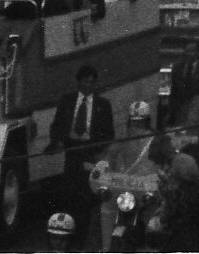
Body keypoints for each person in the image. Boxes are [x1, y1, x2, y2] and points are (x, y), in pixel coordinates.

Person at [50, 65, 114, 246]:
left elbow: (109, 134)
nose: (89, 85)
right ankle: (67, 239)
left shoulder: (103, 105)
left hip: (91, 152)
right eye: (85, 81)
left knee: (87, 197)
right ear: (79, 82)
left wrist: (98, 154)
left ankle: (84, 240)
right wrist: (59, 141)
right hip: (71, 151)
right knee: (69, 195)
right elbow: (56, 126)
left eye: (92, 82)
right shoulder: (67, 101)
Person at [93, 101, 157, 253]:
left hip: (144, 191)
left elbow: (159, 165)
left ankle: (151, 248)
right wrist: (101, 171)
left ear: (147, 122)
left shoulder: (155, 140)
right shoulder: (122, 140)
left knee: (154, 213)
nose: (137, 126)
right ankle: (106, 248)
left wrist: (156, 178)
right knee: (106, 206)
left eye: (140, 122)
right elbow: (108, 159)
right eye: (134, 122)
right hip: (123, 190)